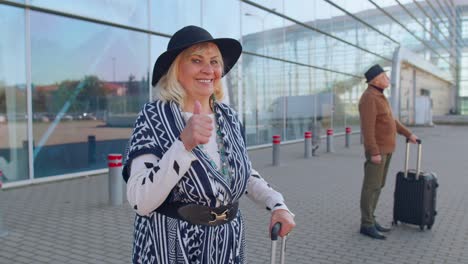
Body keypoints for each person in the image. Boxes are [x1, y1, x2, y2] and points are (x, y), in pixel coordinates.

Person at [123, 25, 295, 263]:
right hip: (172, 243)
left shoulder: (228, 116)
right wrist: (184, 146)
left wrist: (277, 204)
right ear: (175, 69)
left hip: (226, 243)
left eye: (215, 61)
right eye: (196, 60)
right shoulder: (153, 117)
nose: (208, 69)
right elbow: (139, 200)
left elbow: (241, 173)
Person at [359, 64, 418, 240]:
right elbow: (367, 129)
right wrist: (374, 151)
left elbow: (392, 121)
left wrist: (409, 134)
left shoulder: (379, 96)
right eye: (385, 77)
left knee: (378, 186)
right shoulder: (369, 98)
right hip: (378, 152)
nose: (388, 80)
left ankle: (371, 218)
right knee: (371, 187)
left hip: (386, 150)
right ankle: (366, 224)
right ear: (375, 80)